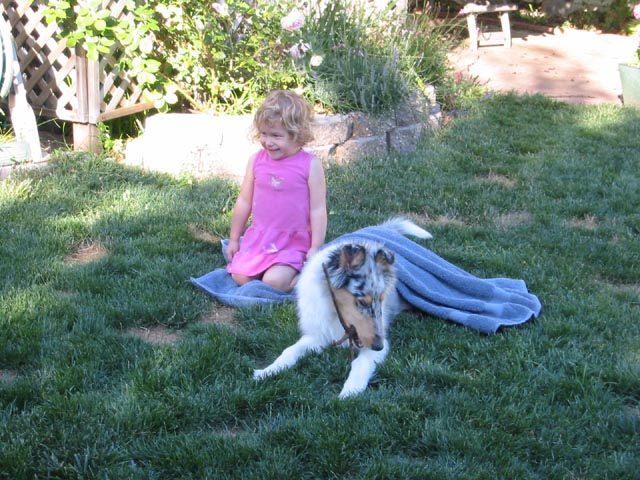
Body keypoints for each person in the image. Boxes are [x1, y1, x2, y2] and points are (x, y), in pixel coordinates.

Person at [225, 90, 327, 293]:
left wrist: (316, 246)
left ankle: (308, 276)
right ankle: (267, 267)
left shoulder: (310, 165)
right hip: (260, 239)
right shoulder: (256, 160)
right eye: (264, 134)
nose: (268, 142)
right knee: (240, 276)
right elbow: (244, 201)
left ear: (297, 135)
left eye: (276, 136)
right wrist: (234, 239)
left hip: (292, 242)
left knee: (274, 282)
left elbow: (318, 209)